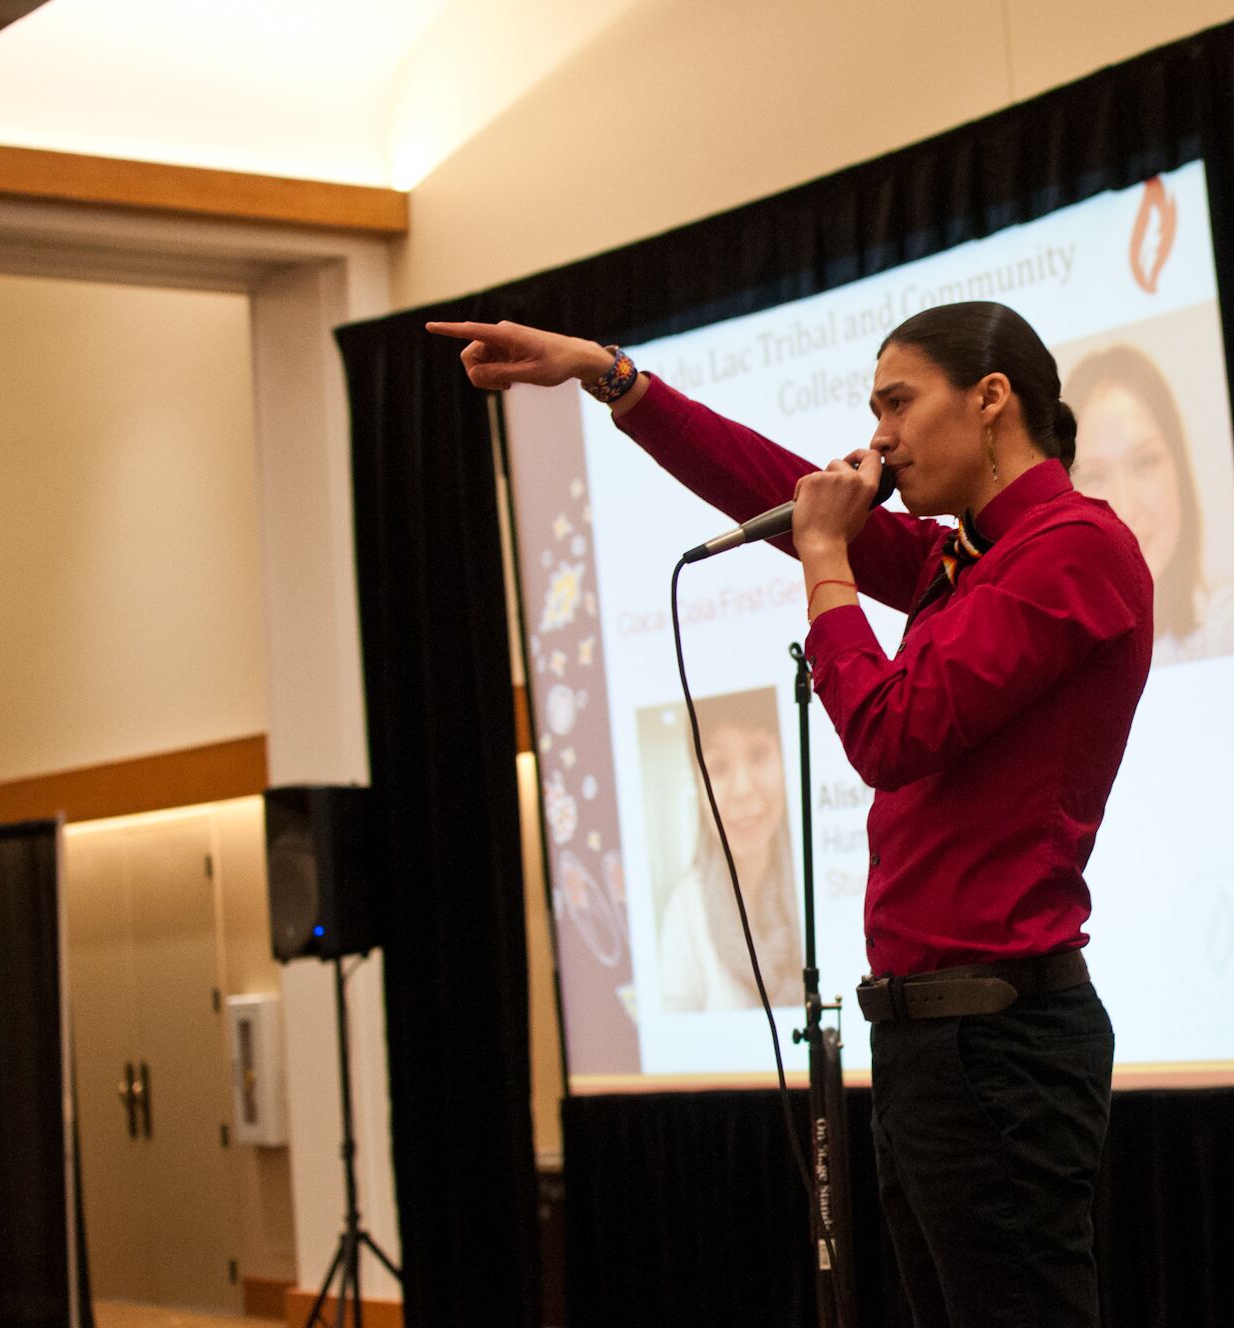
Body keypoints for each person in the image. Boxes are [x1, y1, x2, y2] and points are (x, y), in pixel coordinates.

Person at [429, 301, 1154, 1328]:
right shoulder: (962, 558)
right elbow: (769, 479)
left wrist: (827, 563)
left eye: (896, 404)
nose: (879, 439)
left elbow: (891, 734)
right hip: (933, 1041)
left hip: (999, 1041)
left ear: (991, 398)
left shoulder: (1072, 546)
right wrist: (609, 375)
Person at [1063, 343, 1234, 666]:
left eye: (1145, 463)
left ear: (1179, 470)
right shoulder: (1049, 656)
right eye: (1095, 476)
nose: (1126, 507)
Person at [650, 689, 802, 1012]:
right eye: (718, 768)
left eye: (758, 755)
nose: (743, 790)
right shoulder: (684, 912)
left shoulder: (823, 880)